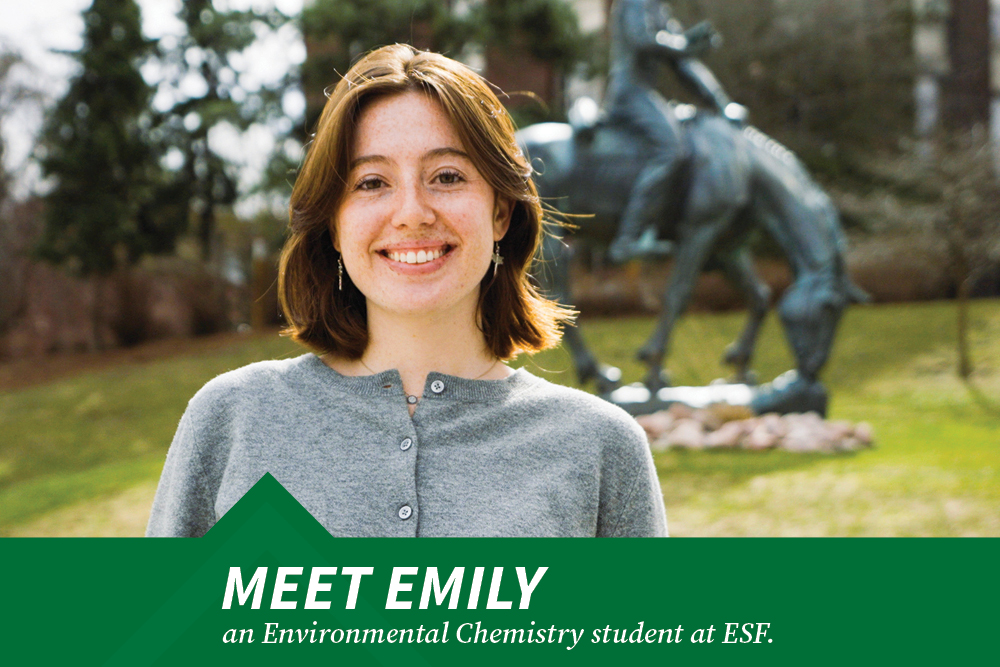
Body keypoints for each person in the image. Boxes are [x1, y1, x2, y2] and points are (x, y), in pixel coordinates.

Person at [146, 44, 667, 538]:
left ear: (501, 212)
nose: (413, 213)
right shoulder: (233, 418)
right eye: (371, 183)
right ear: (333, 222)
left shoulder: (600, 446)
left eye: (446, 176)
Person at [605, 0, 747, 263]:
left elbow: (684, 64)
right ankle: (628, 237)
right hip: (629, 93)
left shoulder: (658, 8)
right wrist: (682, 44)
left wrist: (722, 103)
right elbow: (641, 38)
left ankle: (664, 225)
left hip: (644, 93)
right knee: (670, 148)